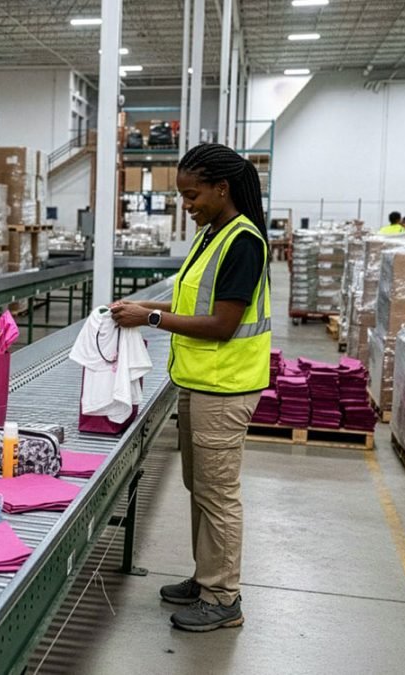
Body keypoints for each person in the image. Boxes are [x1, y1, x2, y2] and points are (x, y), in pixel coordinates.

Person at [111, 143, 271, 632]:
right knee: (199, 486)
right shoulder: (211, 235)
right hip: (200, 382)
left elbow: (222, 324)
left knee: (218, 494)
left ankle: (223, 597)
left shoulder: (243, 242)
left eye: (192, 195)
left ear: (222, 189)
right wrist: (145, 309)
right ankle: (207, 579)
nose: (186, 205)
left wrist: (150, 318)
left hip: (225, 387)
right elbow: (193, 303)